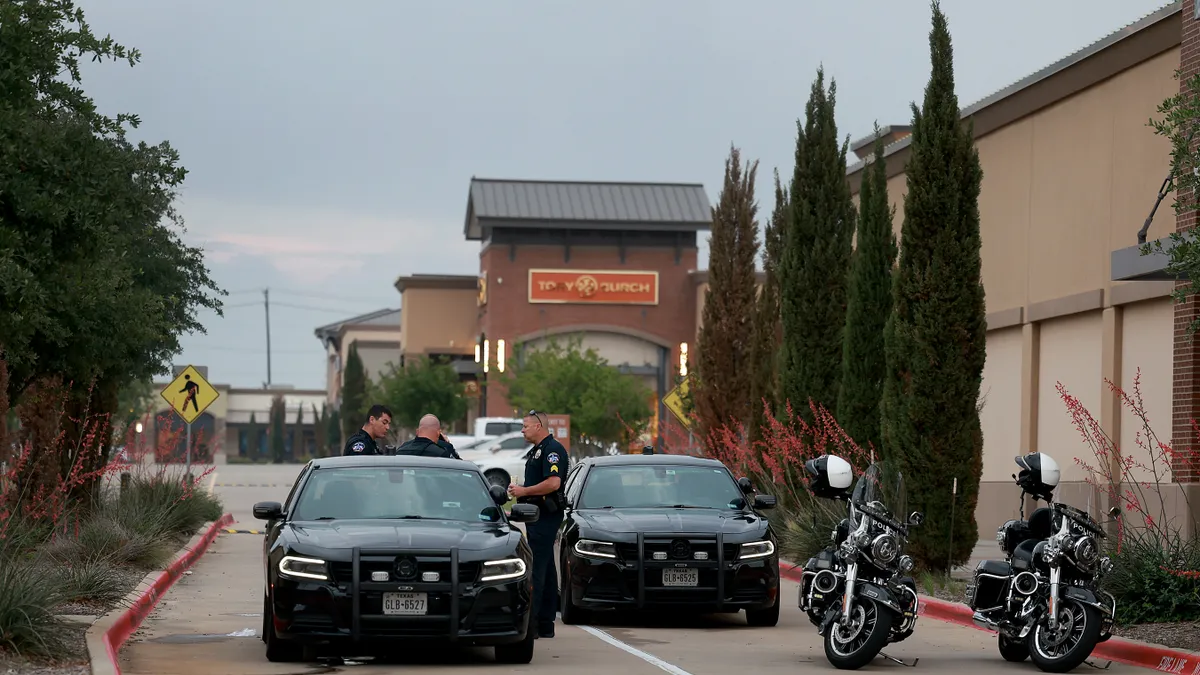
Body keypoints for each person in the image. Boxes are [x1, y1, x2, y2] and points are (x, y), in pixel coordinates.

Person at [507, 409, 568, 639]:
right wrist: (520, 493)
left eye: (525, 425)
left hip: (545, 517)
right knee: (548, 571)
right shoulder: (537, 451)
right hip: (535, 515)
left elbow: (553, 483)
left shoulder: (553, 450)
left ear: (538, 426)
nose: (522, 430)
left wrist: (524, 491)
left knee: (538, 571)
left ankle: (531, 625)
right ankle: (545, 623)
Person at [393, 414, 461, 459]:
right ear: (438, 433)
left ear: (417, 432)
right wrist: (447, 445)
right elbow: (458, 469)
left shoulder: (401, 450)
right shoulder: (441, 453)